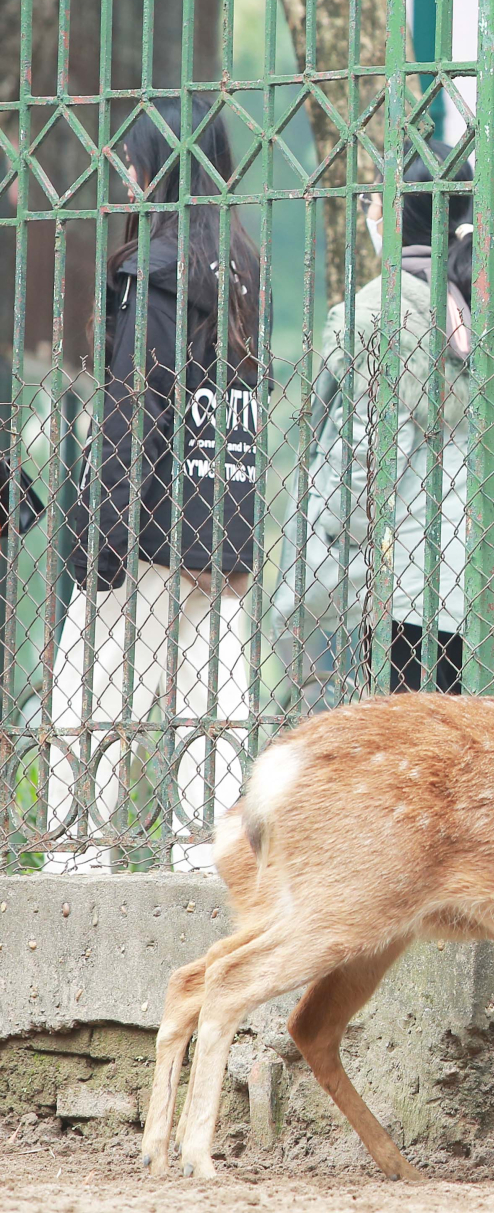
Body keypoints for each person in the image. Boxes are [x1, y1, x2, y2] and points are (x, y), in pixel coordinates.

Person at [47, 97, 263, 872]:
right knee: (212, 712)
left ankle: (73, 859)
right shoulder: (241, 271)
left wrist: (99, 552)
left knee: (84, 703)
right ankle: (208, 868)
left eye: (129, 159)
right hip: (222, 522)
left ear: (153, 168)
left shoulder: (156, 276)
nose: (122, 174)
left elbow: (133, 418)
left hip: (148, 530)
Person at [283, 142, 494, 701]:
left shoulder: (384, 312)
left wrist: (336, 534)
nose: (368, 207)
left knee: (417, 764)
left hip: (416, 581)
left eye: (376, 194)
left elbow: (367, 456)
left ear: (397, 210)